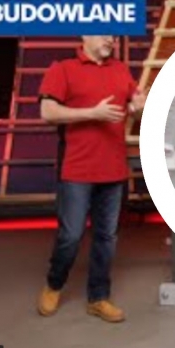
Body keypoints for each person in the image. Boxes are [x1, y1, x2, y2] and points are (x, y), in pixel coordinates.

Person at [36, 35, 146, 323]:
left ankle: (98, 298)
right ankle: (54, 284)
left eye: (113, 35)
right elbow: (47, 112)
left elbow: (136, 106)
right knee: (71, 236)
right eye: (104, 33)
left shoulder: (120, 70)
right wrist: (92, 113)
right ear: (86, 34)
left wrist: (139, 106)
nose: (111, 39)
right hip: (77, 171)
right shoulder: (63, 69)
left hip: (114, 170)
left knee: (106, 237)